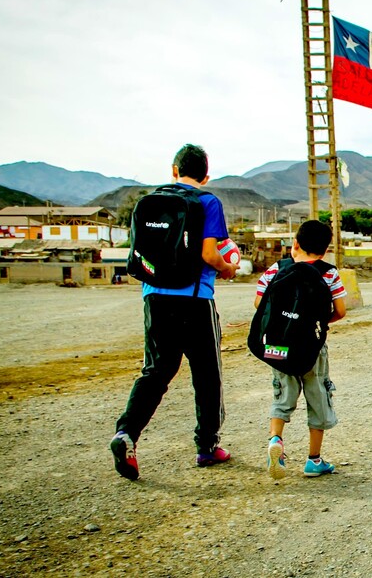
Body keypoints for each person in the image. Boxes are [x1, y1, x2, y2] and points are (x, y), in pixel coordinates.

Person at [110, 144, 239, 480]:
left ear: (173, 170)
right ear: (206, 175)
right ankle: (207, 447)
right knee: (207, 375)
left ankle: (127, 433)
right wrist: (227, 269)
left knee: (155, 372)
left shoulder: (147, 201)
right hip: (195, 300)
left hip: (154, 298)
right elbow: (210, 255)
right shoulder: (208, 201)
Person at [255, 220, 347, 479]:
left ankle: (276, 441)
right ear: (326, 250)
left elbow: (259, 303)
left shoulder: (277, 268)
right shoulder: (329, 273)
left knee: (283, 395)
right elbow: (340, 311)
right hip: (312, 347)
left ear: (295, 244)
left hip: (279, 346)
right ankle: (313, 460)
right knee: (317, 395)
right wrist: (315, 323)